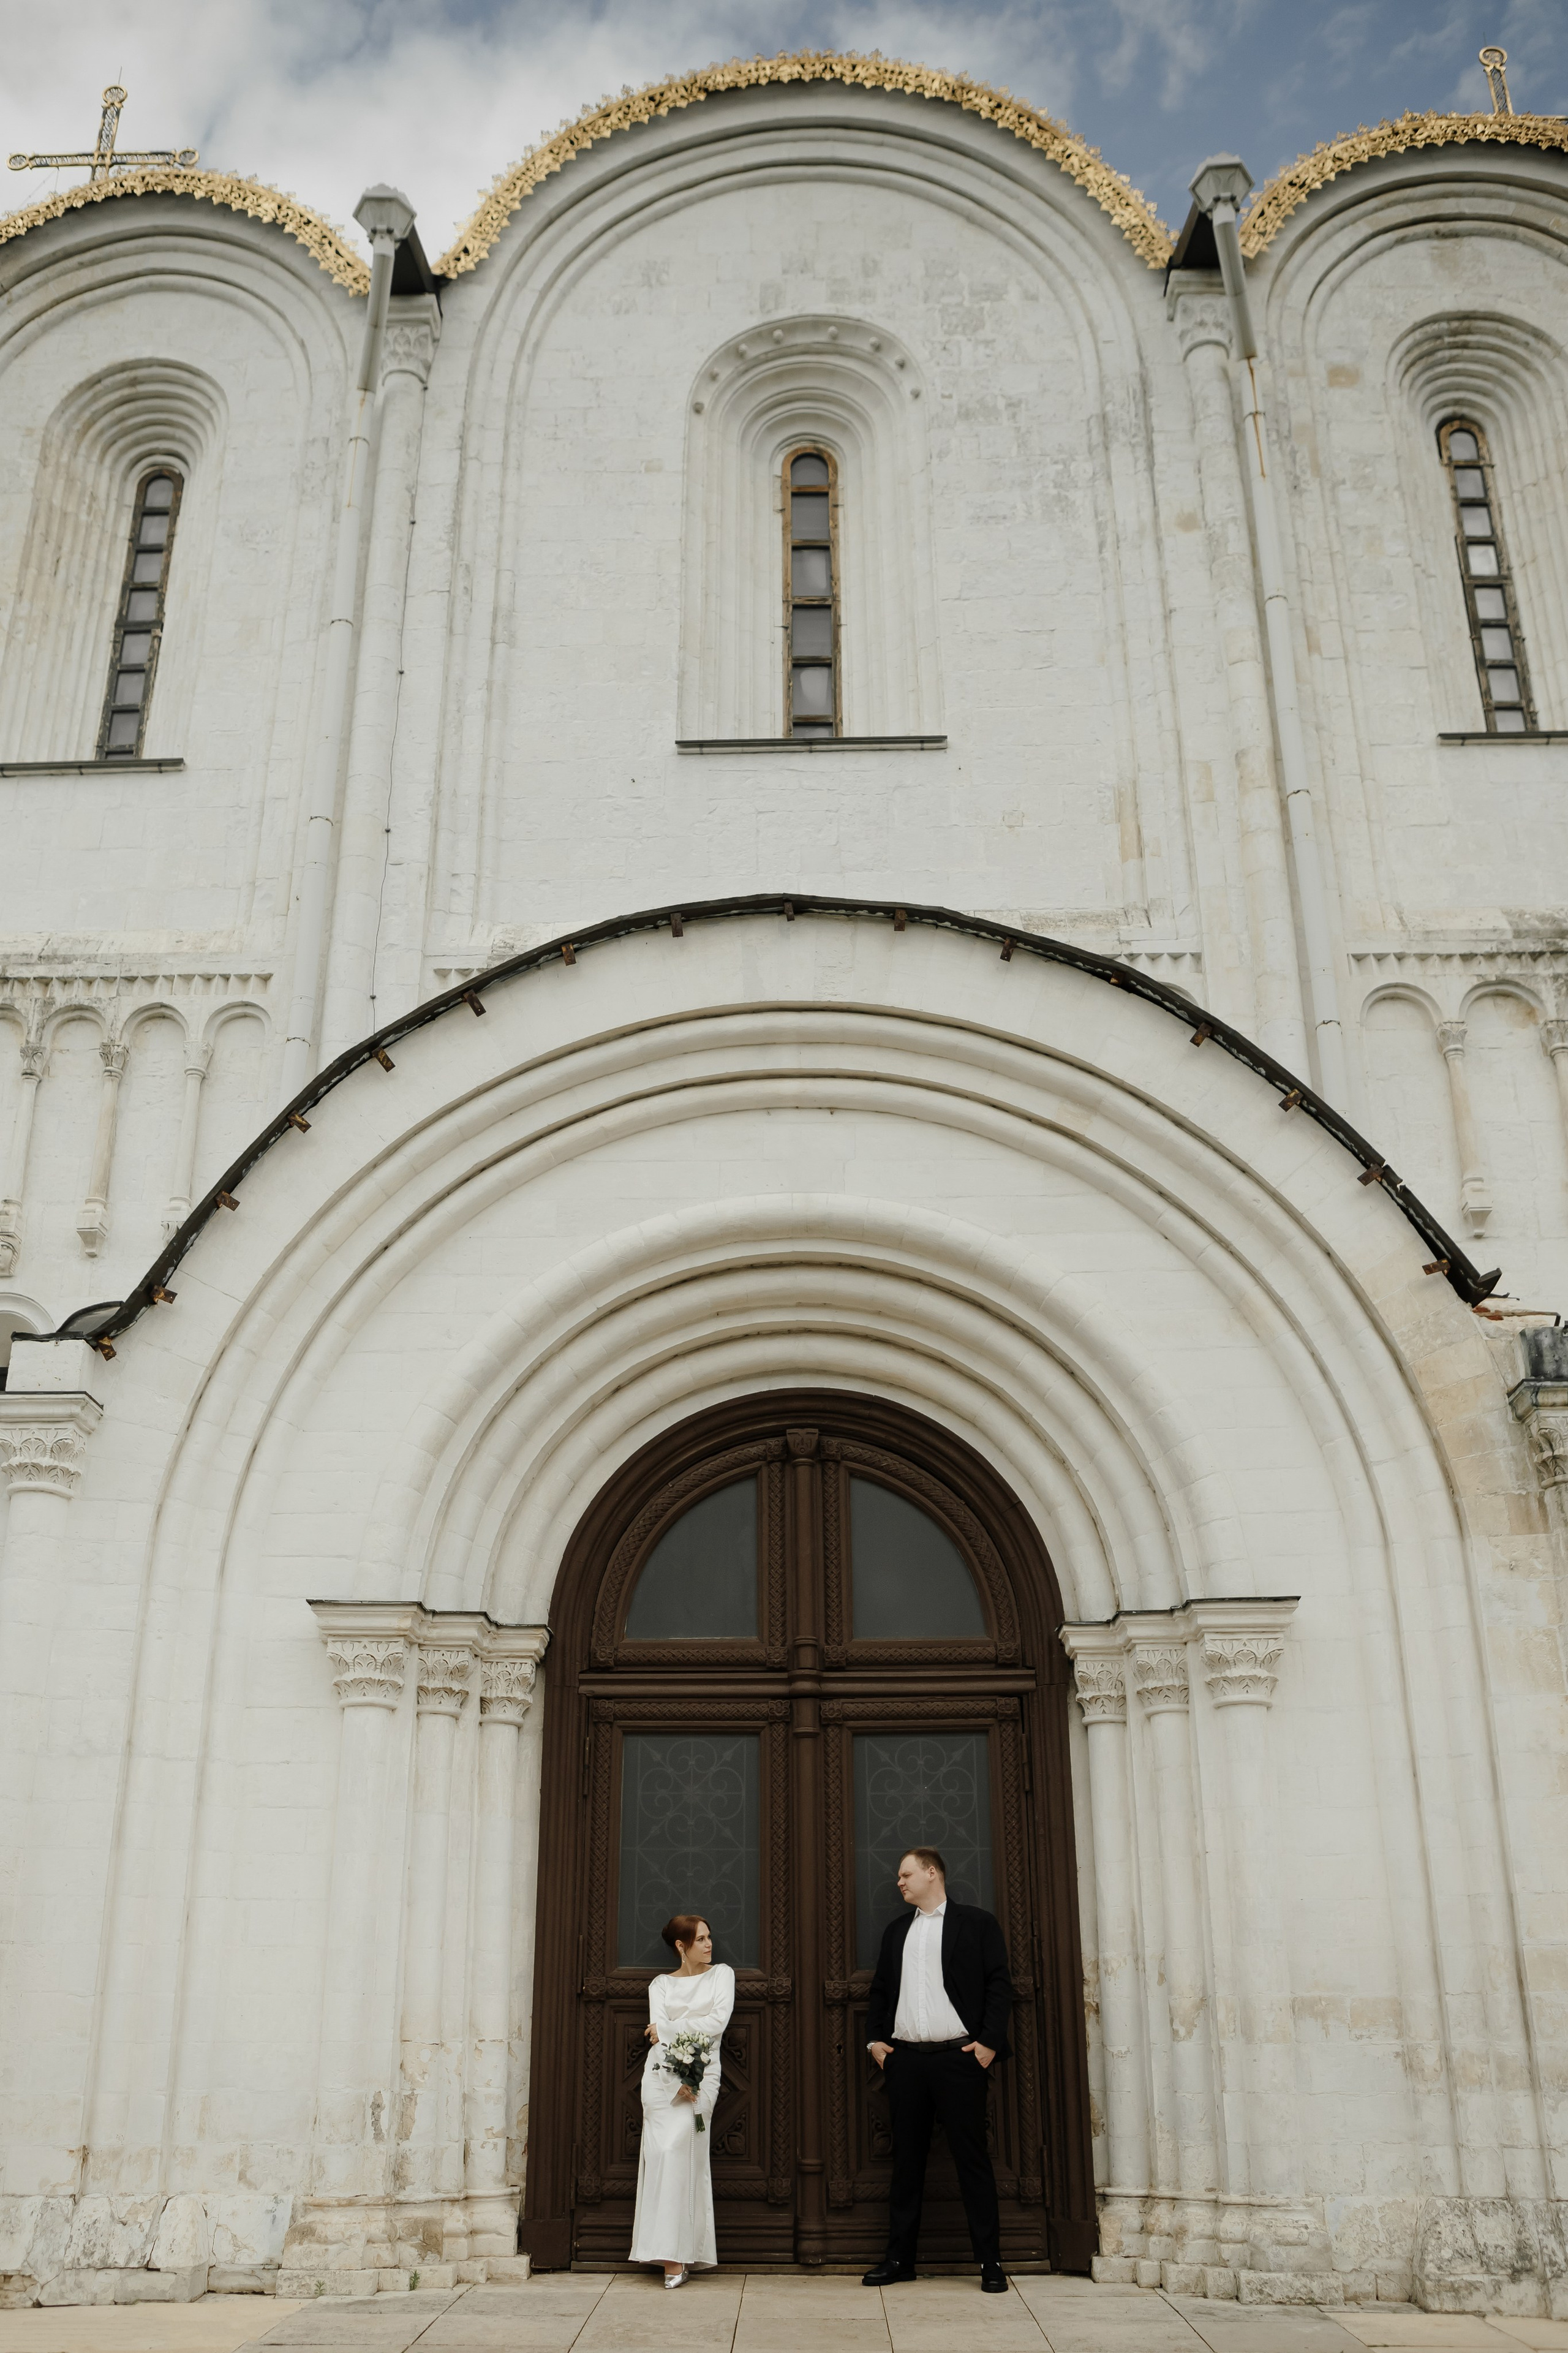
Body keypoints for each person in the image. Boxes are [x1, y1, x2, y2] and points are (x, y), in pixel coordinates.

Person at [861, 1846, 1013, 2294]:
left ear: (932, 1873)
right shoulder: (895, 1932)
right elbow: (881, 1990)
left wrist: (987, 2044)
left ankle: (990, 2261)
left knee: (972, 2160)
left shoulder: (977, 1923)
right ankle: (899, 2259)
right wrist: (875, 2042)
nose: (900, 1882)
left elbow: (999, 1984)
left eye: (906, 1873)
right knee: (906, 2161)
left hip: (960, 2060)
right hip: (906, 2061)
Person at [628, 1913, 734, 2287]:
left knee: (684, 2157)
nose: (709, 1944)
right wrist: (674, 2075)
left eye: (709, 1937)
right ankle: (665, 2254)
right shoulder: (660, 1985)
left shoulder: (722, 1975)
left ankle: (684, 2254)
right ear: (681, 1946)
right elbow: (657, 2042)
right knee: (661, 2160)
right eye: (701, 1939)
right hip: (660, 2082)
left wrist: (669, 2027)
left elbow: (717, 2022)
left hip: (703, 2078)